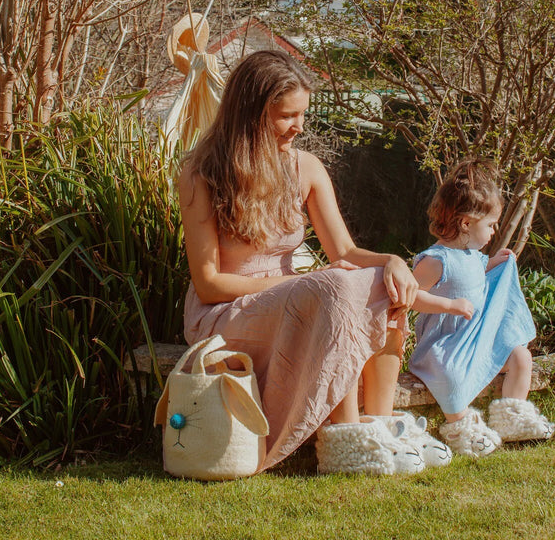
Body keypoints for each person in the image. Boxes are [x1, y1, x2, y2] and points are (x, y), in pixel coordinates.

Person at [177, 49, 431, 475]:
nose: (299, 127)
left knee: (370, 283)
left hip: (297, 303)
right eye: (286, 116)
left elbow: (345, 254)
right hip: (224, 313)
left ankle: (381, 425)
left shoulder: (306, 168)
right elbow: (208, 284)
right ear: (251, 113)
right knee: (336, 289)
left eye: (303, 115)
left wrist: (392, 261)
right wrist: (301, 287)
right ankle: (345, 440)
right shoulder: (203, 175)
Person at [408, 160, 555, 458]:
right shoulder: (437, 260)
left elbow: (474, 280)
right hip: (444, 346)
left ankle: (511, 416)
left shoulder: (472, 255)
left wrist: (494, 264)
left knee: (520, 356)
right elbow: (407, 295)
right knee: (450, 376)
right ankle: (461, 427)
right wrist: (447, 305)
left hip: (475, 341)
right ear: (465, 223)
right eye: (489, 225)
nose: (493, 231)